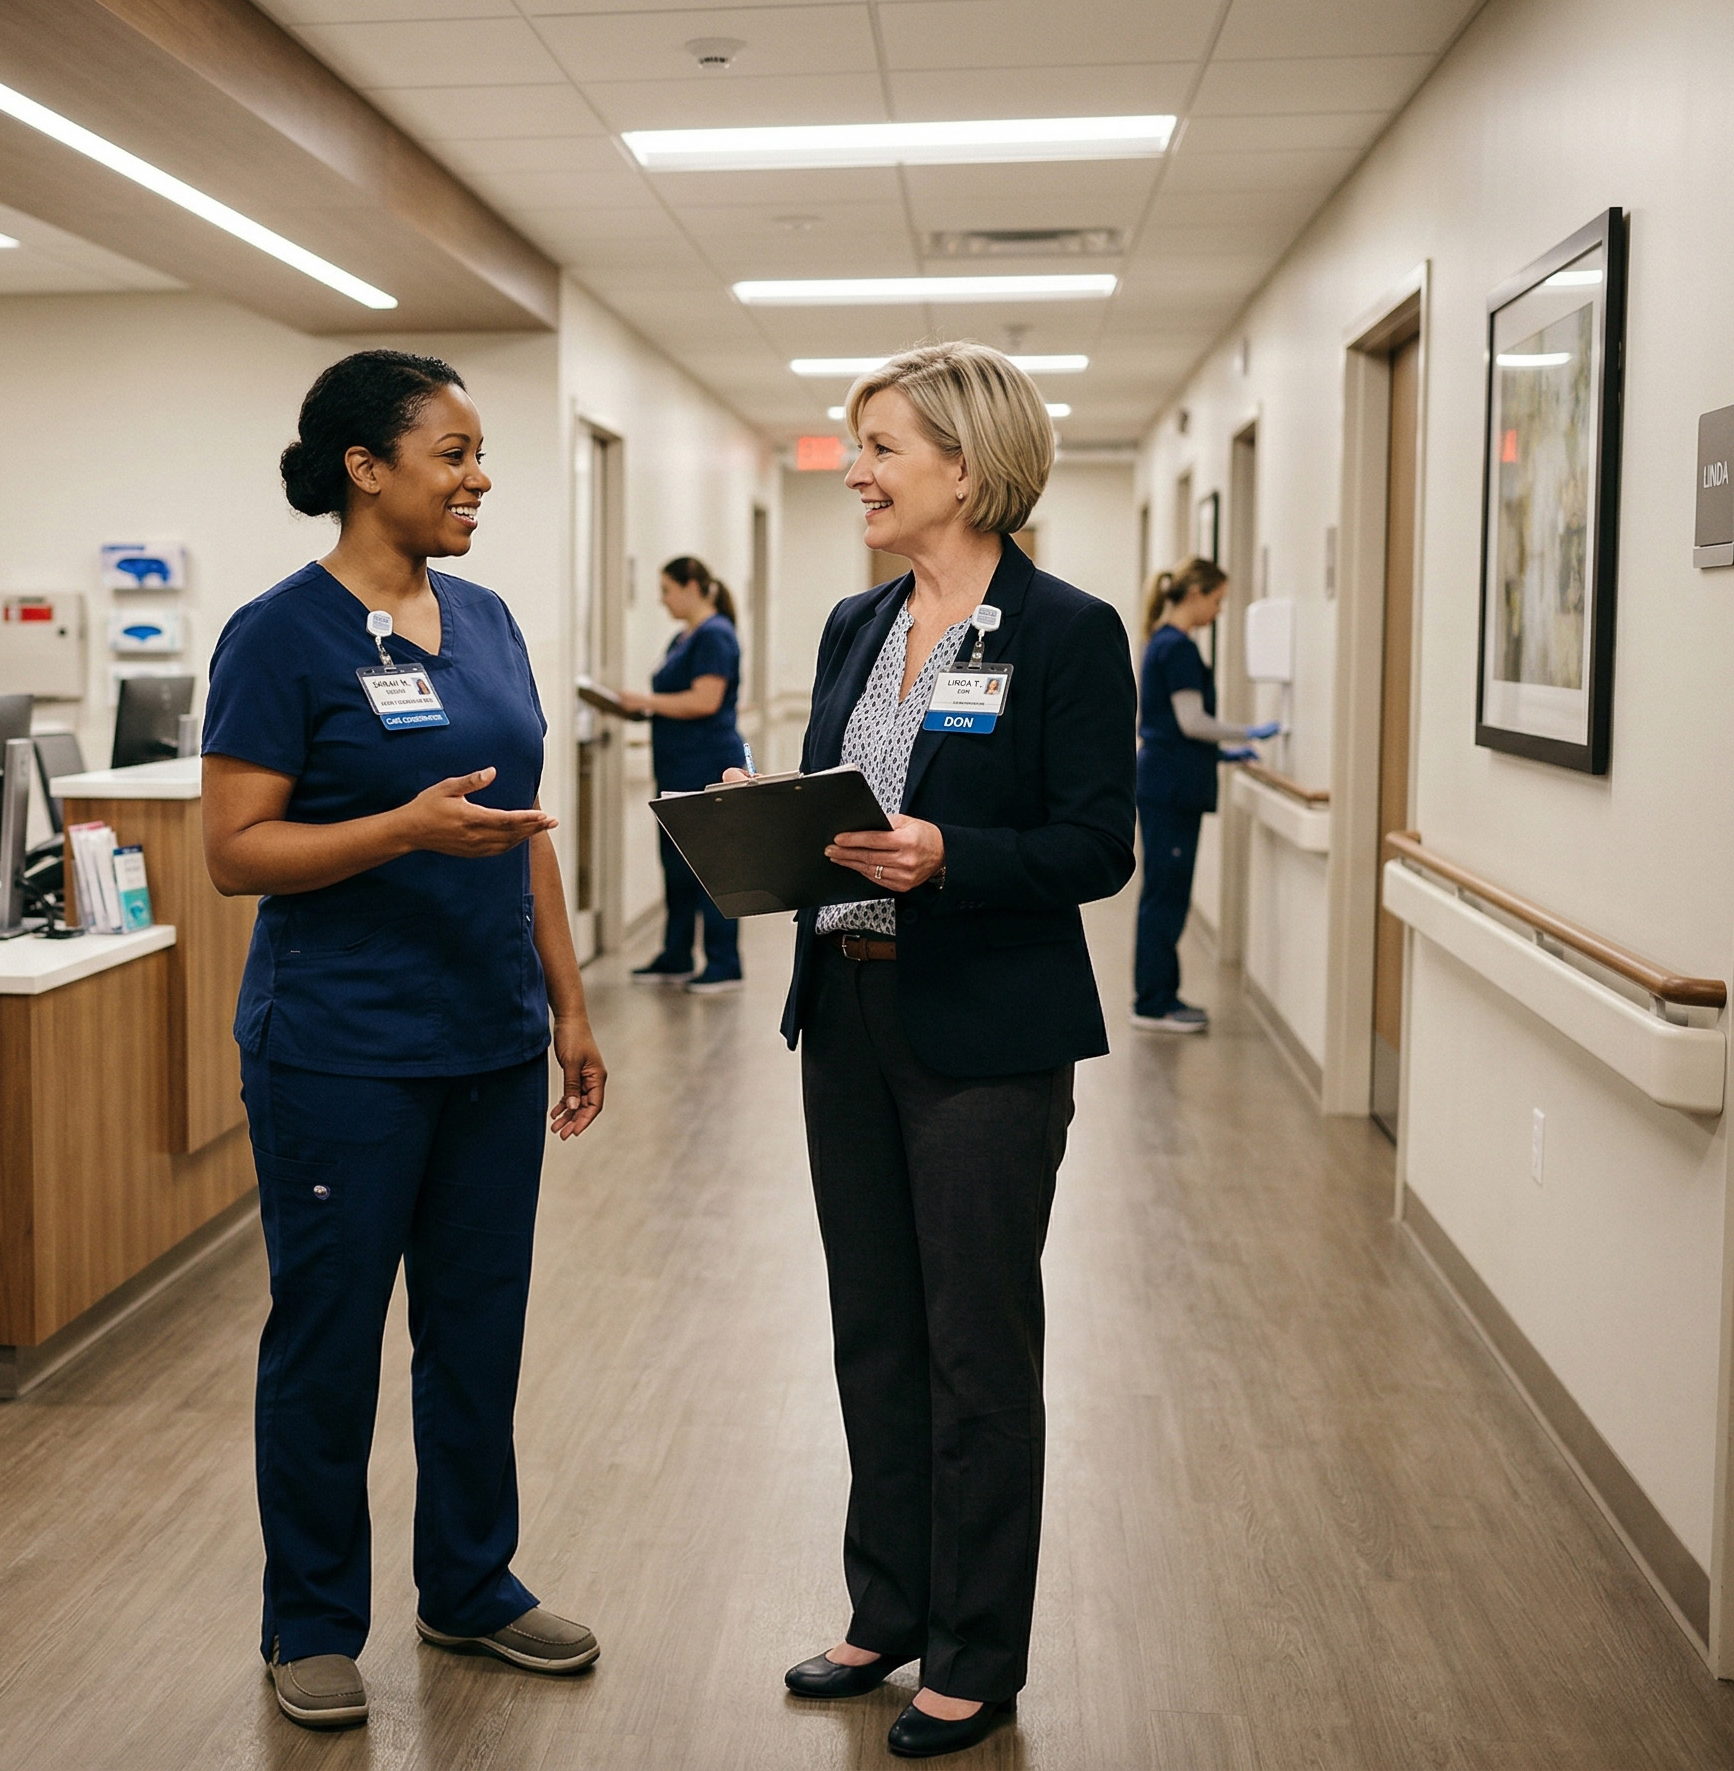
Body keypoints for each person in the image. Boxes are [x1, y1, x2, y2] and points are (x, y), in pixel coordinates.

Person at [201, 349, 607, 1733]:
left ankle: (470, 1583)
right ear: (366, 467)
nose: (478, 475)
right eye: (453, 451)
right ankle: (310, 1621)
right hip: (341, 1052)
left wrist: (570, 1004)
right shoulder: (280, 636)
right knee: (328, 1336)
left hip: (488, 1038)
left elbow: (523, 837)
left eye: (481, 451)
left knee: (477, 1330)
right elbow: (235, 854)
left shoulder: (486, 620)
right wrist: (400, 829)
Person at [747, 342, 1135, 1759]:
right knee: (874, 1331)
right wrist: (769, 815)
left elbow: (1099, 845)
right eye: (857, 446)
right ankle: (887, 1606)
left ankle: (976, 1648)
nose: (856, 469)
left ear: (966, 469)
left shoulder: (1069, 631)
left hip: (983, 1031)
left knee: (978, 1345)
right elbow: (840, 801)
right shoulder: (858, 627)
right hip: (844, 1013)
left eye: (881, 448)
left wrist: (949, 855)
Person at [1131, 557, 1280, 1034]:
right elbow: (1191, 723)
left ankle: (1161, 996)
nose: (1217, 612)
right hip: (1171, 789)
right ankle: (1154, 1003)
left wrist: (1222, 757)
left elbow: (1171, 731)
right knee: (1166, 898)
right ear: (1194, 593)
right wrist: (1247, 733)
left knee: (1164, 893)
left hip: (1168, 779)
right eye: (1216, 601)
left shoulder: (1163, 641)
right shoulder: (1177, 649)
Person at [619, 556, 746, 993]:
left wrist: (646, 702)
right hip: (676, 766)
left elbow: (705, 701)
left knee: (712, 867)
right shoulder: (682, 638)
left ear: (693, 586)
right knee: (676, 866)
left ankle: (723, 962)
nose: (662, 599)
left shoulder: (715, 635)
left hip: (708, 765)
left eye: (668, 589)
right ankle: (675, 955)